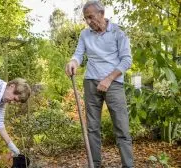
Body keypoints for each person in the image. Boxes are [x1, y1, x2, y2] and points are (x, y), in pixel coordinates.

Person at [65, 1, 134, 167]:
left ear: (102, 14)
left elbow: (127, 60)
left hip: (114, 84)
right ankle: (94, 164)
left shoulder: (118, 32)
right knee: (92, 129)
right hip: (91, 82)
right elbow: (78, 54)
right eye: (86, 18)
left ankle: (128, 165)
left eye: (91, 17)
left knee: (122, 129)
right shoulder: (84, 34)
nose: (89, 21)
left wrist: (109, 79)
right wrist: (73, 62)